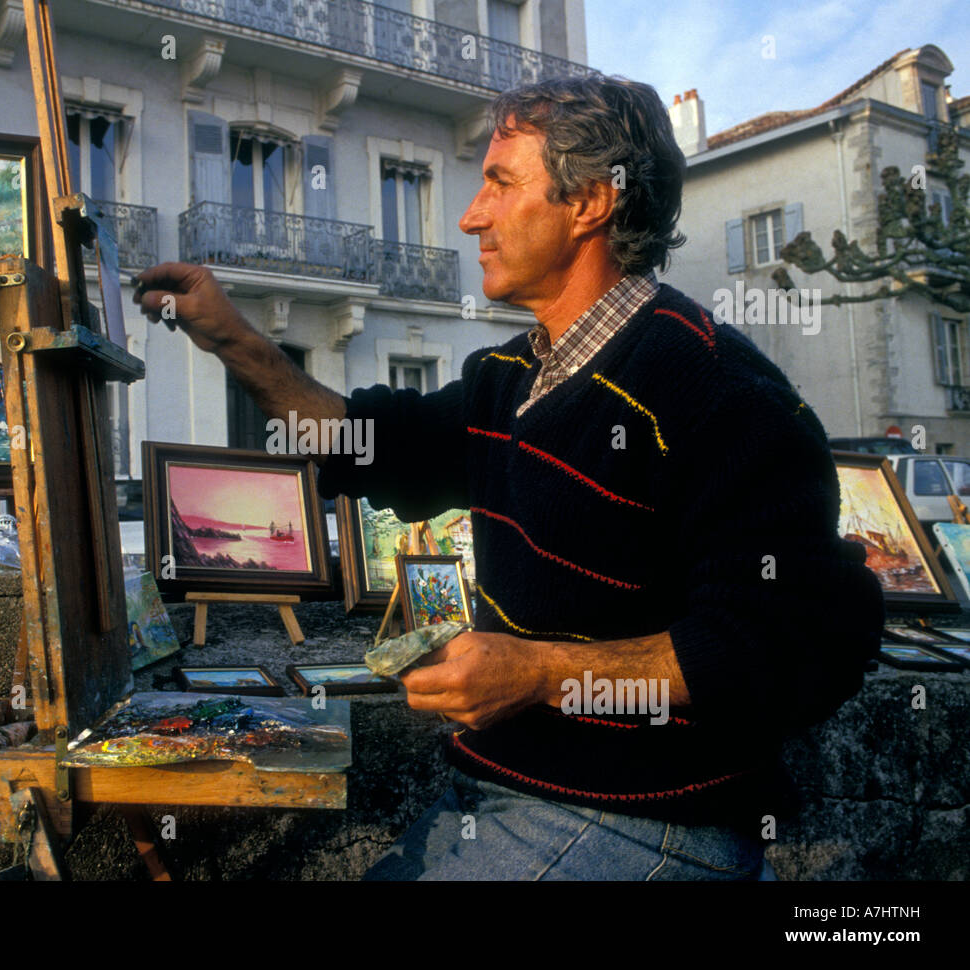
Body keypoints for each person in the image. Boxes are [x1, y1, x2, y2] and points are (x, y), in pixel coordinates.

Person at [132, 74, 883, 880]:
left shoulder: (716, 391)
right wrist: (233, 340)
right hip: (506, 797)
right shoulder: (511, 378)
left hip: (651, 824)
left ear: (591, 202)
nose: (469, 216)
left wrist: (539, 675)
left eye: (499, 182)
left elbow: (791, 643)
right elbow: (362, 442)